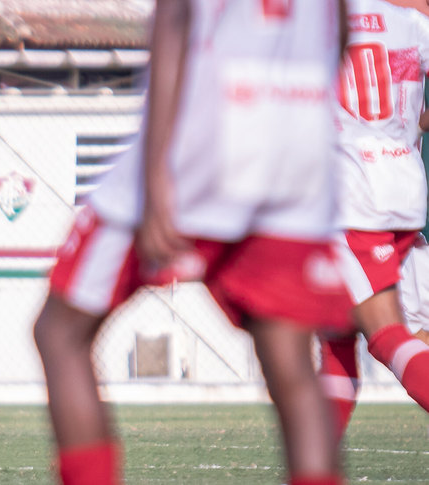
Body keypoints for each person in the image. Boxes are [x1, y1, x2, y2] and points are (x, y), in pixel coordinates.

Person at [33, 2, 351, 484]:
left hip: (208, 130)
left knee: (61, 332)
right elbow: (341, 26)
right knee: (291, 363)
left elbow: (176, 16)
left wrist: (155, 172)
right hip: (299, 134)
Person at [318, 0, 429, 444]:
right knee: (337, 331)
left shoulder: (317, 17)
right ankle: (316, 462)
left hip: (352, 196)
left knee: (386, 335)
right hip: (405, 187)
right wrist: (408, 125)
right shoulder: (412, 21)